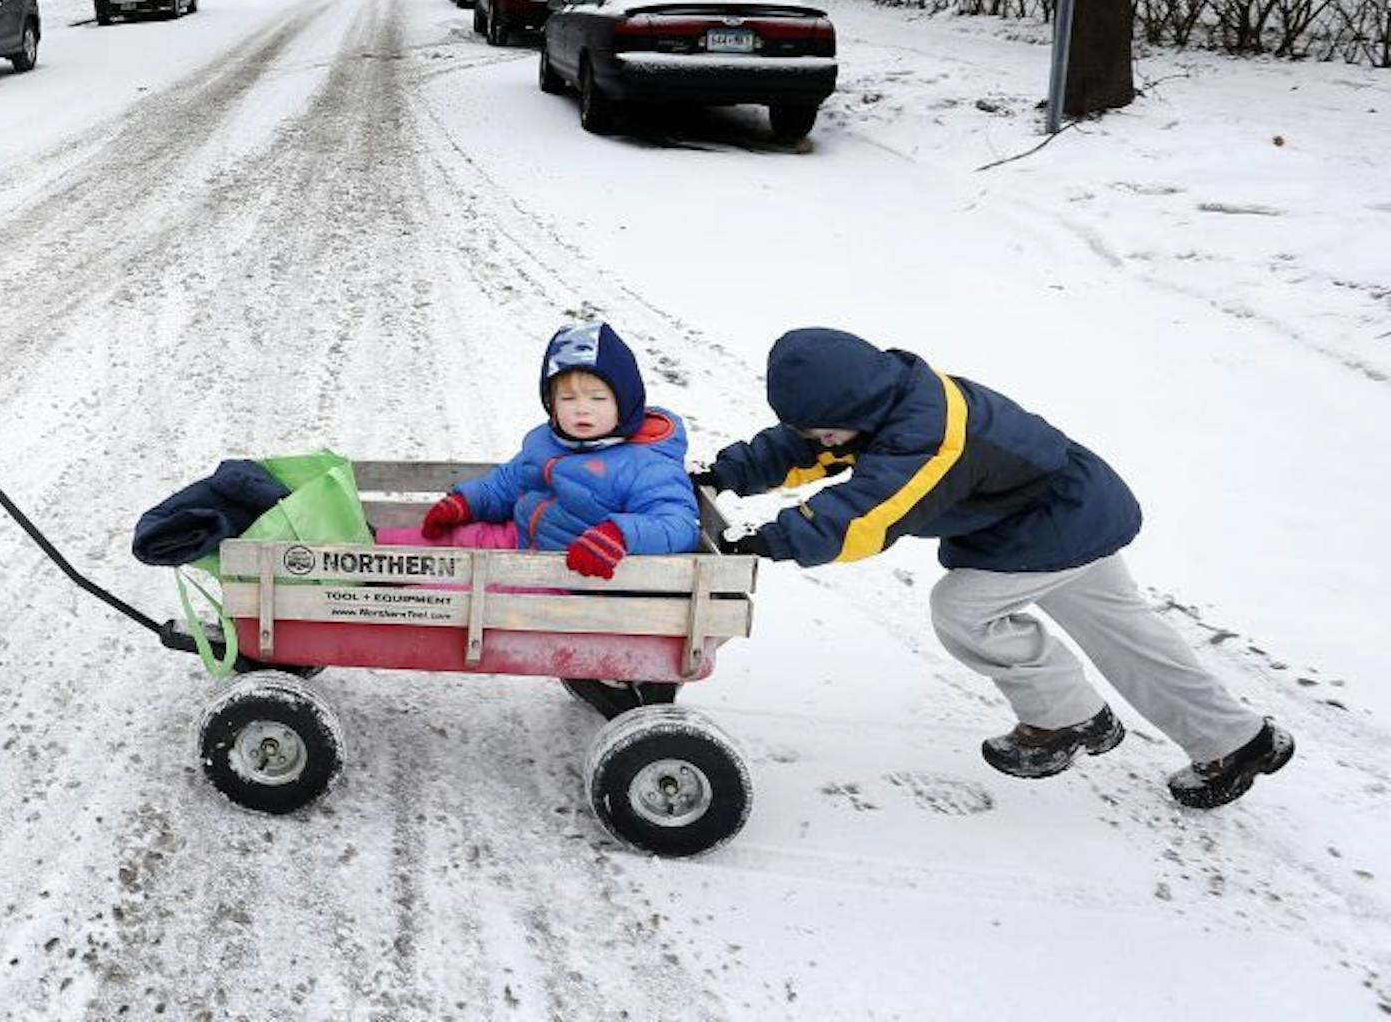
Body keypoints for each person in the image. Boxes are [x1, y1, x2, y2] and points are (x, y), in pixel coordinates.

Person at [699, 327, 1292, 810]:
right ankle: (1239, 740)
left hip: (1054, 521)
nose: (818, 439)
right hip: (1056, 510)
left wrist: (770, 540)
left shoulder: (930, 433)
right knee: (1128, 636)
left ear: (856, 403)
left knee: (963, 608)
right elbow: (802, 448)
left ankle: (1071, 719)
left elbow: (868, 516)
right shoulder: (879, 400)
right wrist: (723, 475)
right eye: (811, 428)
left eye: (823, 427)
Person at [383, 321, 700, 575]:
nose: (581, 409)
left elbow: (677, 523)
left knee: (456, 596)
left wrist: (620, 535)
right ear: (551, 403)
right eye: (567, 398)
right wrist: (468, 502)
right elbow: (509, 480)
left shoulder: (646, 463)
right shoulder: (546, 441)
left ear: (625, 402)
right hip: (517, 539)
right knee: (453, 539)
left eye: (597, 398)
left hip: (566, 574)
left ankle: (401, 596)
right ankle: (373, 551)